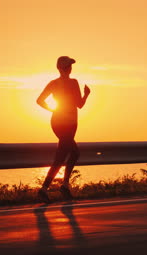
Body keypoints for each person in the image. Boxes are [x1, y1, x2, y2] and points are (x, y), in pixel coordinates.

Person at [36, 56, 91, 203]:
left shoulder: (53, 83)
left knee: (73, 153)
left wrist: (53, 110)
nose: (71, 68)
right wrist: (86, 95)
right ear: (66, 68)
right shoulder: (73, 83)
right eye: (69, 66)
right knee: (63, 156)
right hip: (69, 123)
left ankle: (64, 185)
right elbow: (79, 104)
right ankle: (45, 188)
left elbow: (39, 100)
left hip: (57, 122)